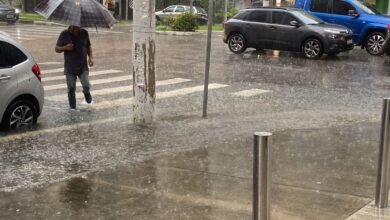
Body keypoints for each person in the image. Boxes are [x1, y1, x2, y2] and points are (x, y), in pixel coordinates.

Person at [55, 25, 94, 110]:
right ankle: (73, 108)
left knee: (86, 85)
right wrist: (65, 47)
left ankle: (86, 92)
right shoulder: (64, 34)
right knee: (71, 88)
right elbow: (56, 49)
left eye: (79, 26)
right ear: (71, 25)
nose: (77, 28)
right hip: (70, 67)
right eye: (75, 27)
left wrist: (90, 58)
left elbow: (88, 46)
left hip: (82, 66)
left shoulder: (84, 33)